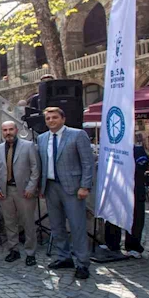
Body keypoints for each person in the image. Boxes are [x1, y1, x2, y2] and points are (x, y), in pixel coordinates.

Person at [38, 107, 95, 280]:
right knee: (56, 226)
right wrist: (41, 188)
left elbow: (87, 162)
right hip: (50, 186)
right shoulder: (42, 138)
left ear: (63, 119)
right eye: (48, 118)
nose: (51, 121)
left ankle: (82, 263)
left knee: (77, 226)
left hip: (73, 188)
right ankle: (64, 257)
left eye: (54, 117)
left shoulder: (77, 135)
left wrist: (85, 186)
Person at [0, 121, 41, 265]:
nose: (8, 132)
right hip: (5, 192)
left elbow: (35, 169)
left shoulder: (28, 146)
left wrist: (31, 188)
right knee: (9, 222)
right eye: (5, 130)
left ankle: (30, 253)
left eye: (10, 129)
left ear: (16, 130)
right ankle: (14, 250)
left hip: (24, 192)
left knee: (28, 223)